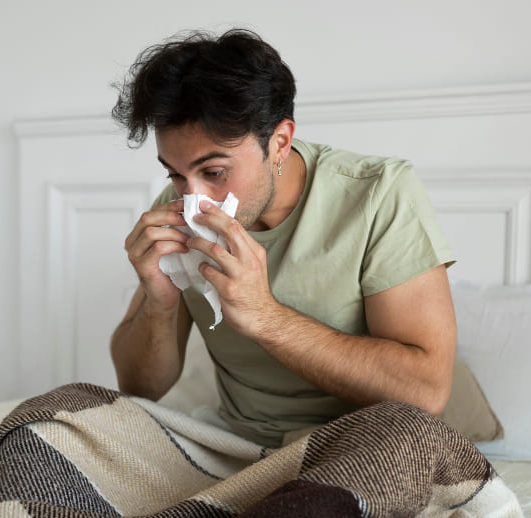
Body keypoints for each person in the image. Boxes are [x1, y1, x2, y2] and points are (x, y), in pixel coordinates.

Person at [110, 28, 457, 447]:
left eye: (215, 172)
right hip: (236, 446)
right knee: (51, 421)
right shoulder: (179, 205)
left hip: (362, 447)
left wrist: (266, 318)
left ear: (279, 142)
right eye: (175, 173)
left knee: (383, 464)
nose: (194, 199)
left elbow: (426, 392)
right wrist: (159, 301)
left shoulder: (378, 194)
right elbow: (140, 388)